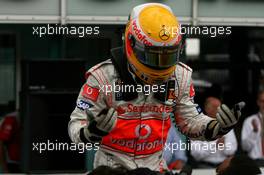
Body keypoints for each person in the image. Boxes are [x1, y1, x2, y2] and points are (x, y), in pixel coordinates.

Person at [68, 3, 244, 171]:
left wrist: (218, 127)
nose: (160, 65)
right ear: (131, 43)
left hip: (154, 167)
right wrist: (90, 132)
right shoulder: (102, 77)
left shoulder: (180, 76)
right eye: (152, 56)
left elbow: (189, 122)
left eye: (167, 57)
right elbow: (76, 125)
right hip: (111, 168)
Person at [191, 97, 237, 167]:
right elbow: (196, 154)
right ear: (206, 109)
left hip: (224, 165)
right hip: (204, 166)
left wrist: (223, 146)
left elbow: (232, 150)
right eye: (215, 107)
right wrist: (214, 146)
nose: (219, 110)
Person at [242, 90, 264, 160]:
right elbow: (245, 147)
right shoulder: (249, 121)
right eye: (263, 101)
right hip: (255, 163)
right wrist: (254, 132)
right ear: (258, 102)